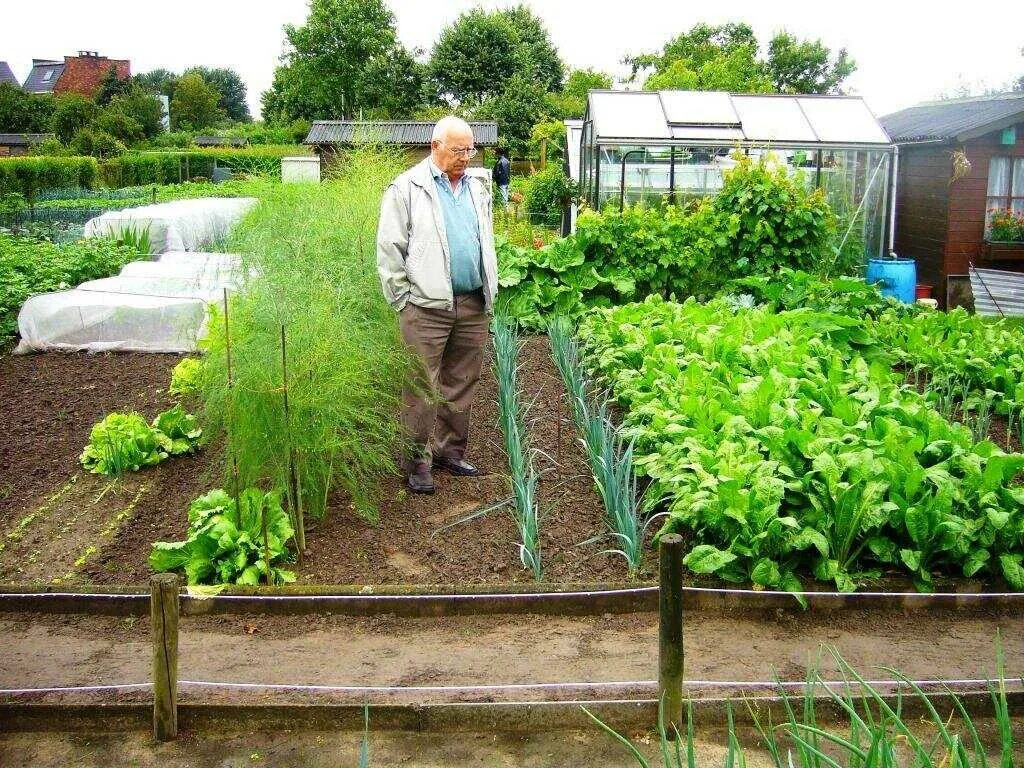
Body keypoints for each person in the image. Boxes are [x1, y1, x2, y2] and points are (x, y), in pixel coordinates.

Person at [376, 116, 498, 494]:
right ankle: (417, 461)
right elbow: (389, 248)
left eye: (470, 149)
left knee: (462, 380)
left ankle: (451, 451)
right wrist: (404, 301)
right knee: (420, 386)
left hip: (472, 301)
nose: (467, 157)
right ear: (435, 146)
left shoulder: (477, 187)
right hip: (425, 308)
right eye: (459, 150)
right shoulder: (407, 188)